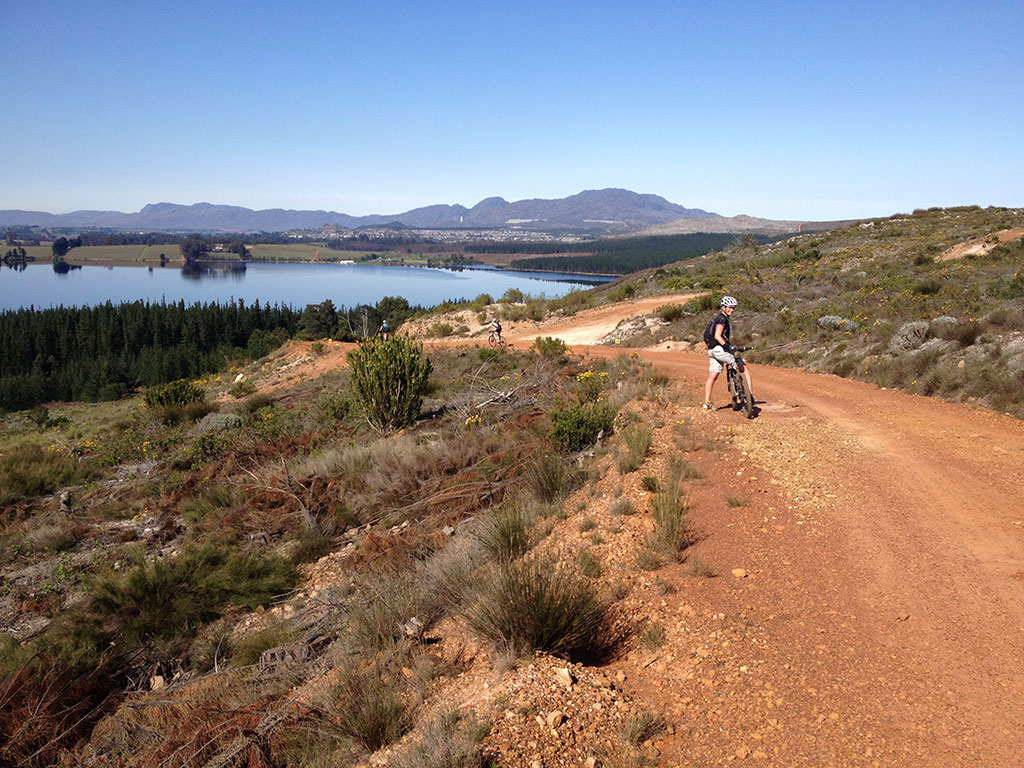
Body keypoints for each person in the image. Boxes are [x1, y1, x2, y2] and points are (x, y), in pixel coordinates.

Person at [702, 295, 754, 410]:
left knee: (713, 375)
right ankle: (749, 397)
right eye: (729, 307)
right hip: (719, 349)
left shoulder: (718, 318)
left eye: (733, 308)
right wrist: (729, 348)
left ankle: (706, 403)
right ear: (724, 307)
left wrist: (731, 346)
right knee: (745, 369)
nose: (732, 310)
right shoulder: (722, 319)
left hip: (712, 350)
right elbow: (718, 336)